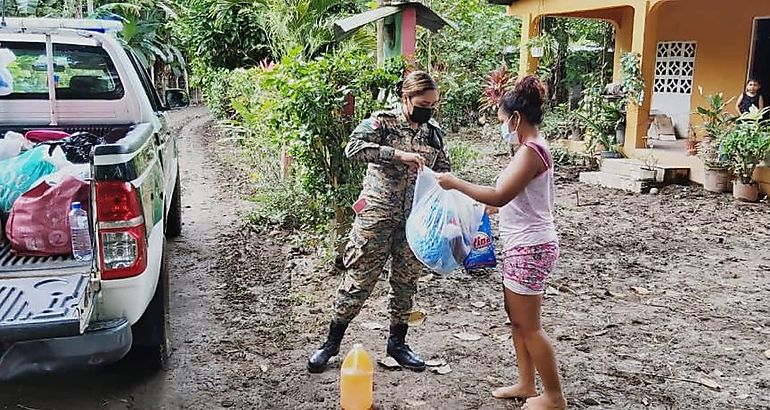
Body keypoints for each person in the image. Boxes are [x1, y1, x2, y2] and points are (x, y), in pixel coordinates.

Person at [436, 76, 566, 410]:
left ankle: (553, 396)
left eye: (502, 120)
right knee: (516, 319)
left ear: (516, 118)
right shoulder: (529, 148)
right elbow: (508, 199)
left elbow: (501, 193)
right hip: (522, 243)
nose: (502, 127)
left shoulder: (531, 151)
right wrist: (482, 207)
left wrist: (455, 183)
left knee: (530, 327)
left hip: (531, 246)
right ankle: (526, 382)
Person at [307, 71, 451, 373]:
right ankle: (331, 343)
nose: (429, 109)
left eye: (434, 104)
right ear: (406, 98)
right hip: (377, 216)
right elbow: (354, 149)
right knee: (359, 279)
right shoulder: (383, 123)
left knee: (405, 283)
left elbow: (445, 171)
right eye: (424, 103)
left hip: (413, 222)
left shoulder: (433, 132)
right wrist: (398, 155)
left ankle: (397, 344)